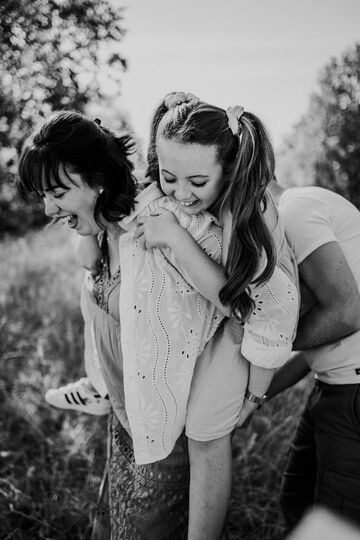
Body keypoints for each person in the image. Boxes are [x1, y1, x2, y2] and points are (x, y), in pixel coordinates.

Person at [17, 94, 298, 539]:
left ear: (99, 180)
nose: (48, 209)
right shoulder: (102, 233)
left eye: (58, 193)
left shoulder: (171, 223)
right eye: (43, 196)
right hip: (125, 423)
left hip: (166, 435)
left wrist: (256, 393)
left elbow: (248, 300)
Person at [266, 181, 360, 532]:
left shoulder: (295, 211)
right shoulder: (292, 220)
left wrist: (269, 340)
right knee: (297, 504)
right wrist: (254, 397)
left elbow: (347, 315)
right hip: (331, 388)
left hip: (352, 393)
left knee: (335, 527)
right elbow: (315, 346)